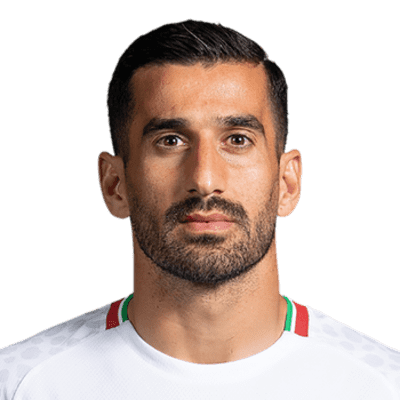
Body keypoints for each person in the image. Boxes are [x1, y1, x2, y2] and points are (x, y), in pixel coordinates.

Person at [1, 18, 399, 399]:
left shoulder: (383, 386)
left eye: (238, 140)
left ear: (287, 182)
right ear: (114, 184)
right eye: (170, 141)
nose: (205, 178)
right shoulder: (18, 384)